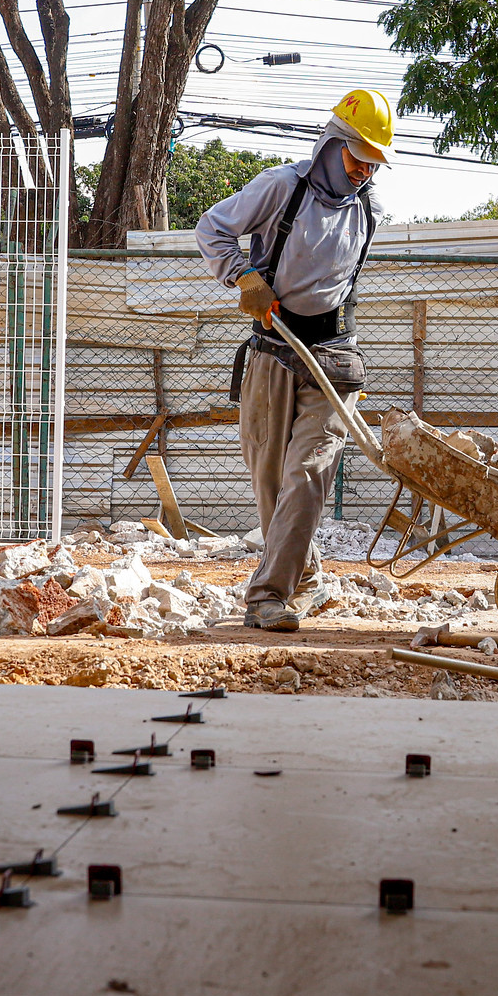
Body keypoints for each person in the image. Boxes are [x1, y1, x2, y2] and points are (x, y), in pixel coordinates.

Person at [194, 90, 394, 631]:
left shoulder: (370, 210)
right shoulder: (283, 186)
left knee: (307, 475)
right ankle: (305, 579)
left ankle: (267, 596)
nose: (363, 172)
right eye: (358, 159)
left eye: (374, 164)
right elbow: (212, 228)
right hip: (272, 348)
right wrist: (244, 276)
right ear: (334, 145)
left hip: (334, 356)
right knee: (270, 481)